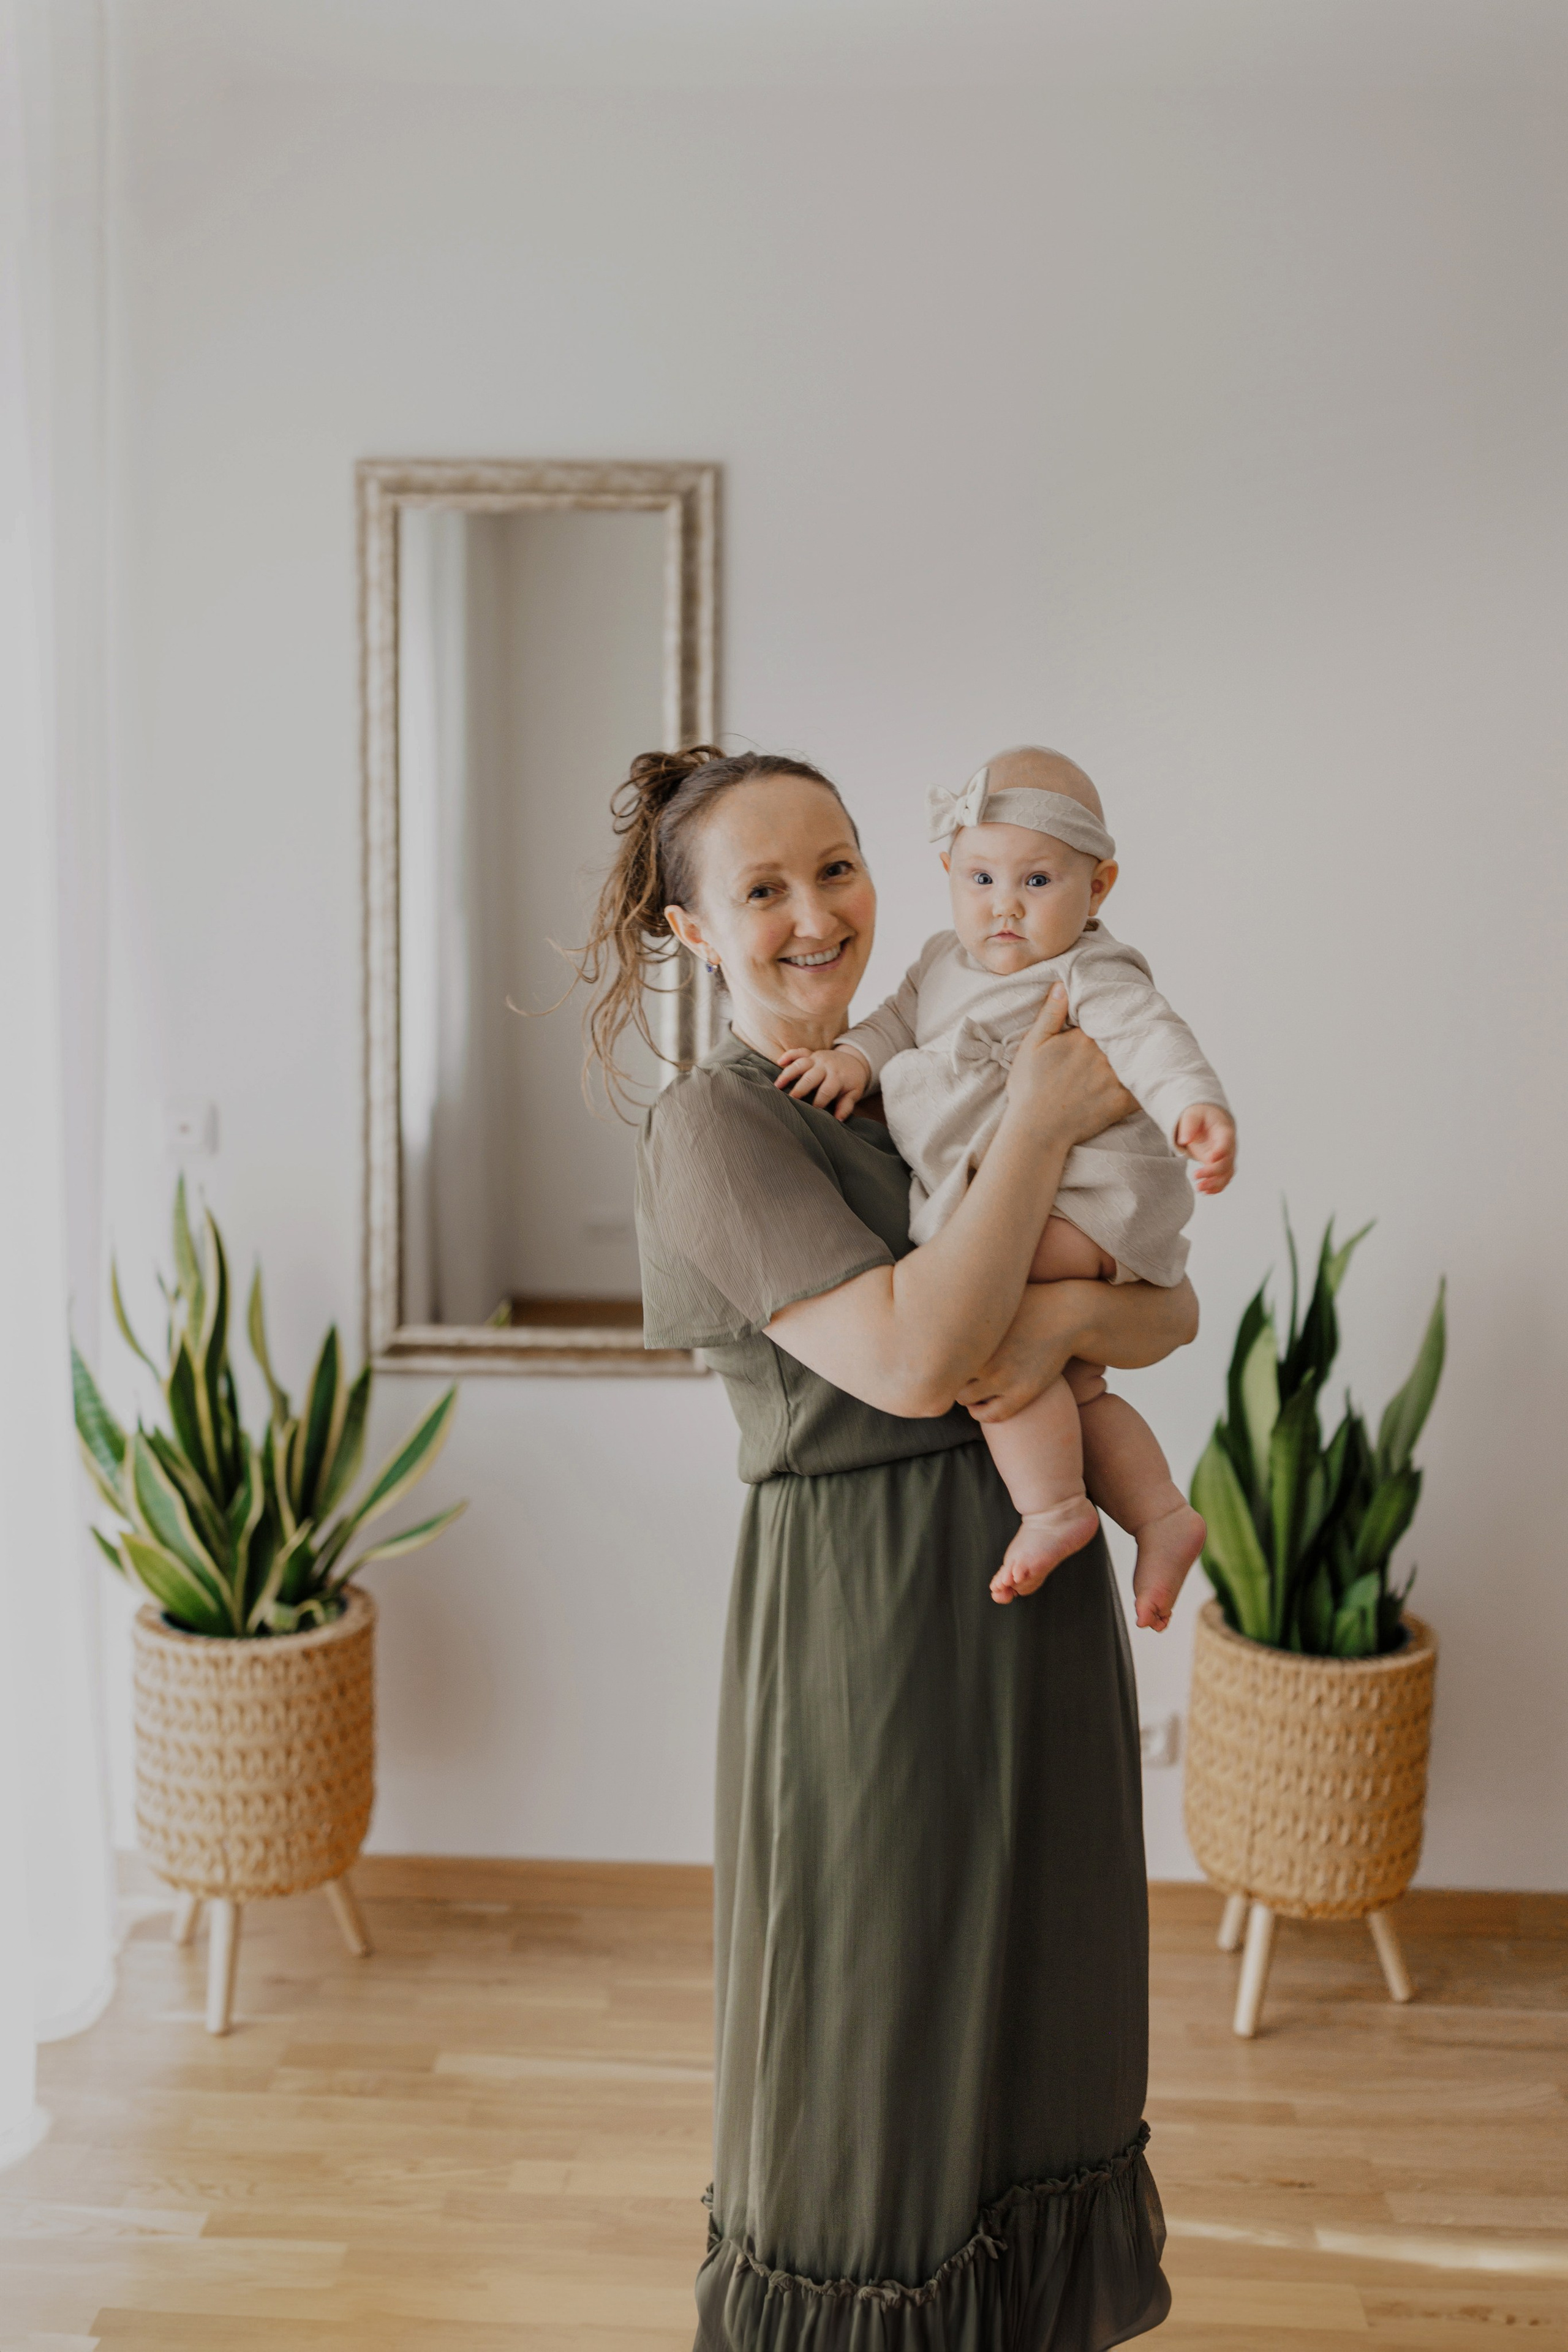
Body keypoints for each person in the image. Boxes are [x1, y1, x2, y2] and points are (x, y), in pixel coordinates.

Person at [584, 743, 1197, 2348]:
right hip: (868, 1628)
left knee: (1039, 2019)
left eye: (837, 867)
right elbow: (923, 1365)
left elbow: (1169, 1299)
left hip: (1029, 1588)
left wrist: (1042, 1288)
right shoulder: (718, 1131)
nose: (814, 914)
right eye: (764, 888)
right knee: (874, 2043)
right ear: (694, 930)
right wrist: (1048, 1123)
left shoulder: (932, 1062)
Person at [772, 745, 1234, 1632]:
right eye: (981, 877)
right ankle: (1162, 1515)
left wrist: (1194, 1107)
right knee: (1079, 1384)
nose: (1006, 905)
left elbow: (1151, 1039)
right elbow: (891, 1023)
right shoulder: (942, 961)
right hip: (1043, 1194)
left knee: (982, 1318)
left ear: (1097, 890)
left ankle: (1055, 1508)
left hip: (1091, 1198)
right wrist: (849, 1058)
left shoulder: (1088, 971)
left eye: (1038, 880)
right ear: (948, 873)